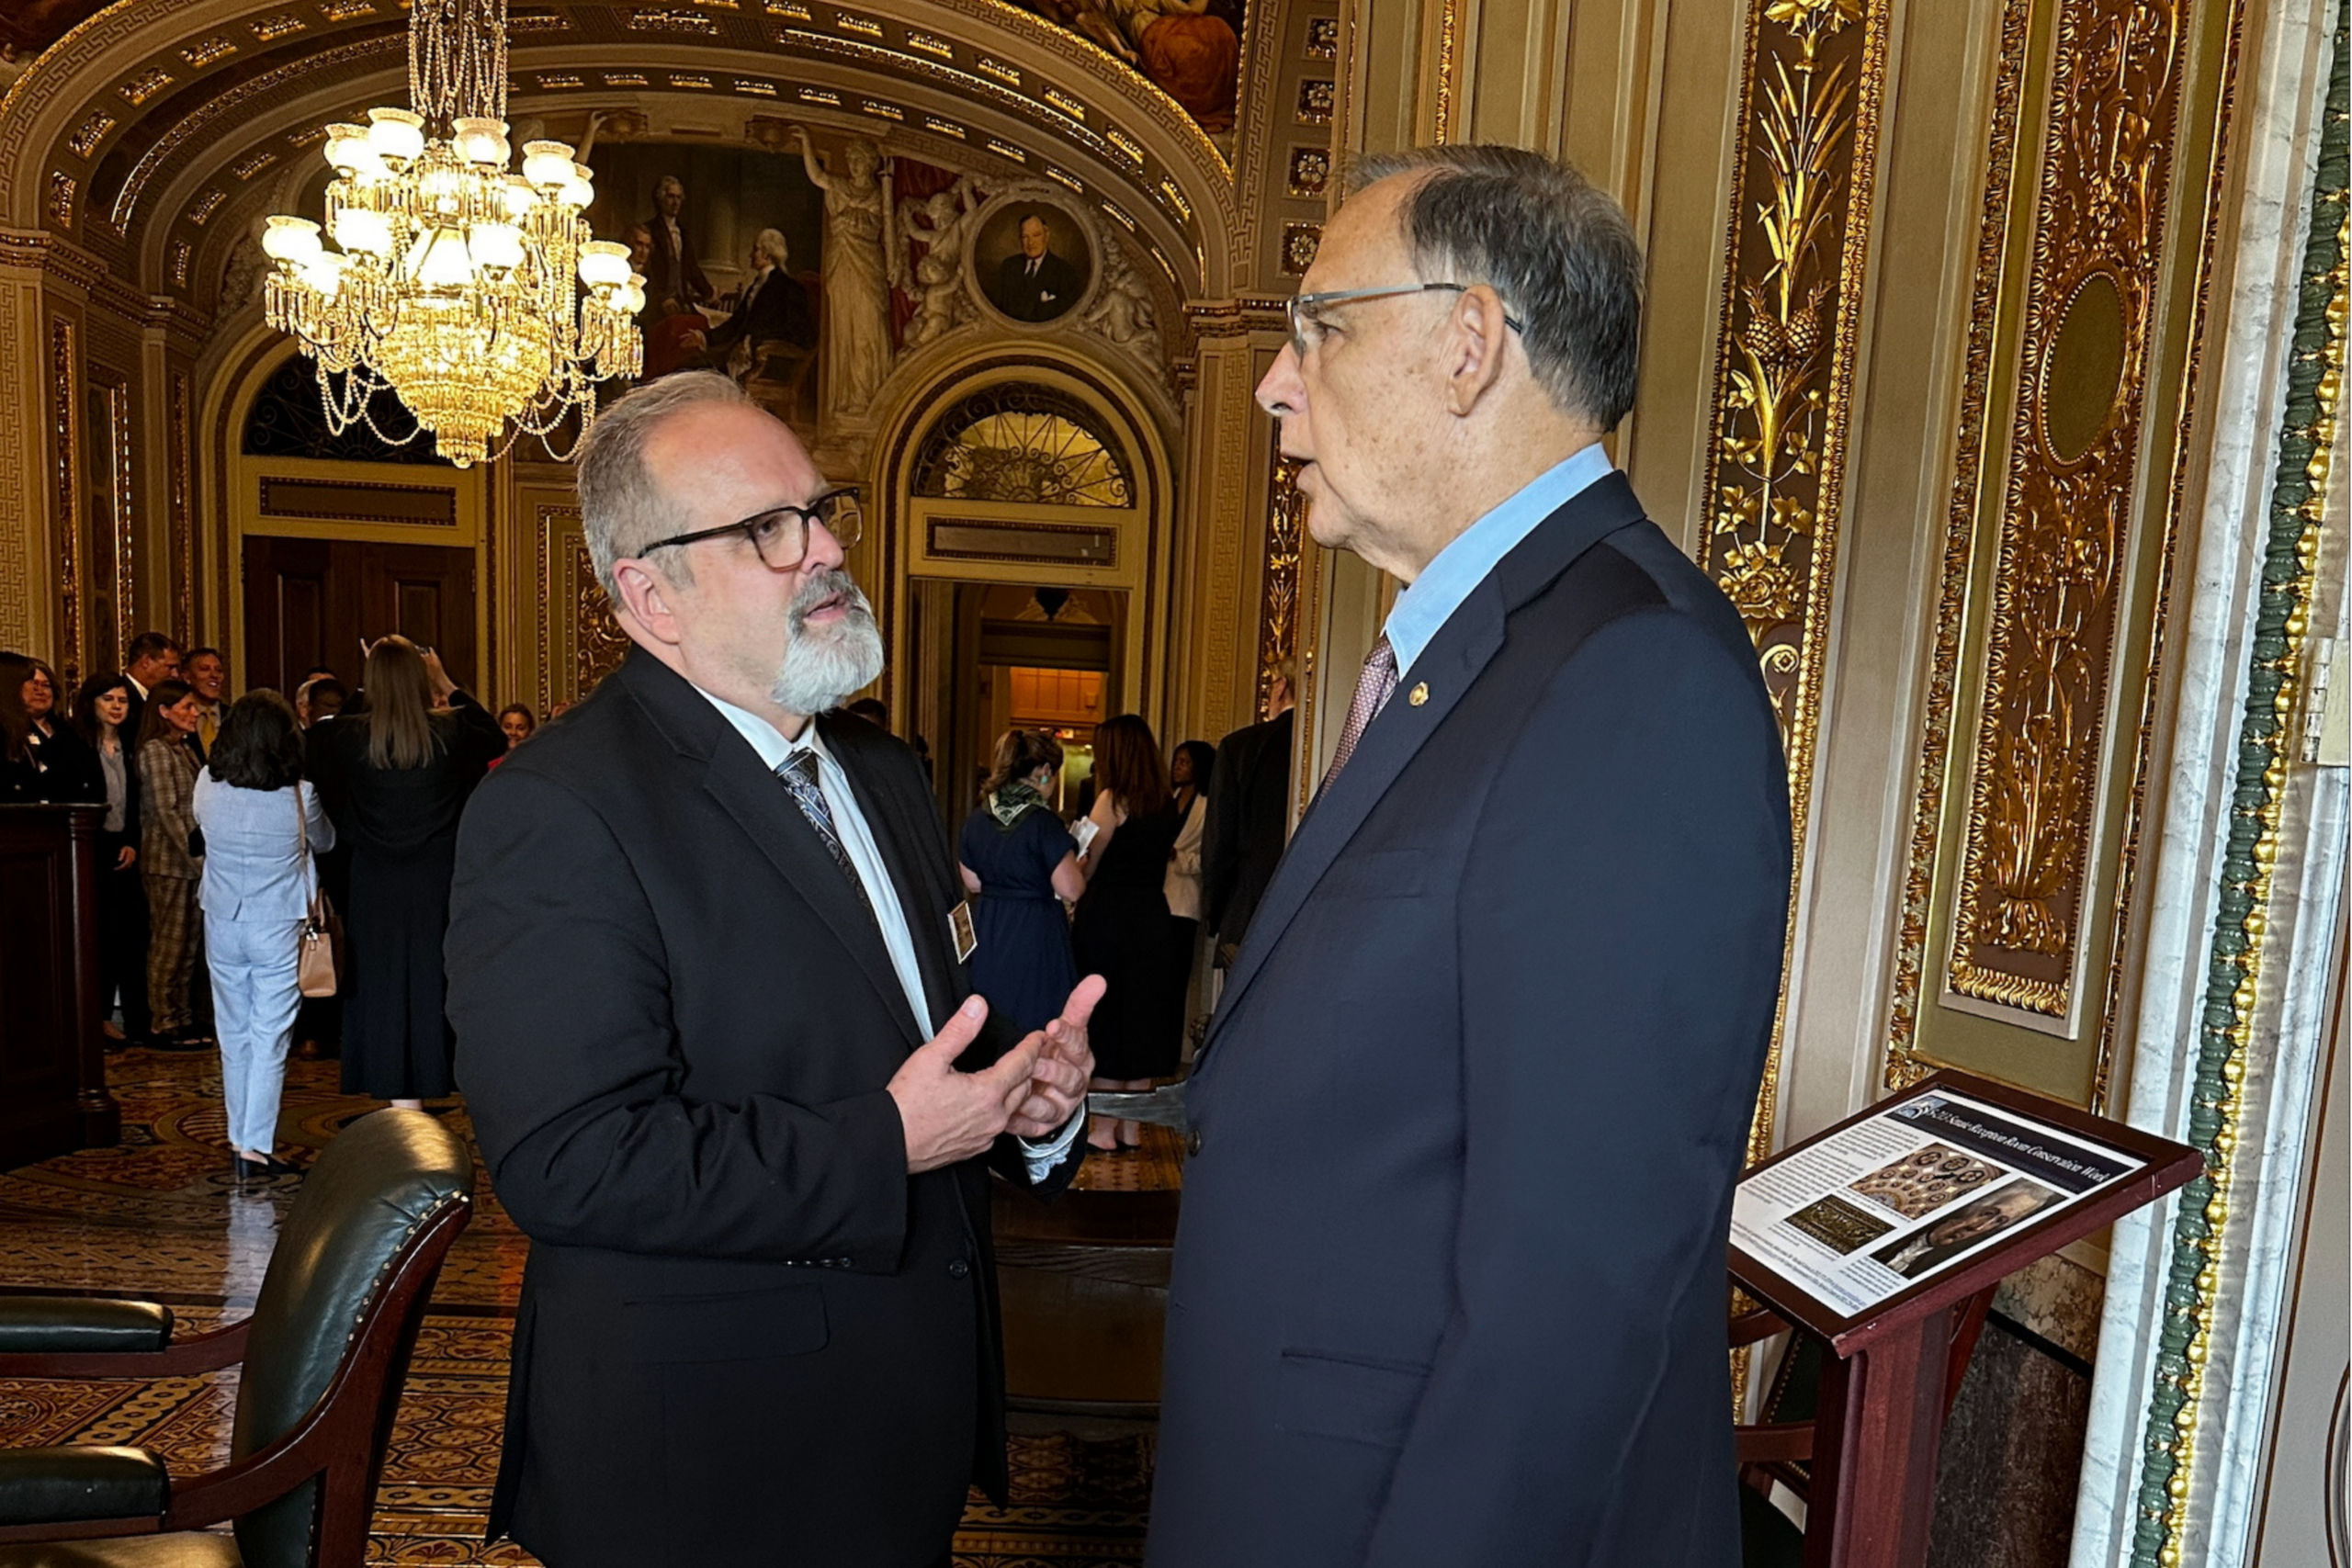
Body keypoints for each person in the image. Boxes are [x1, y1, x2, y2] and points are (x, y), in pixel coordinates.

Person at [1148, 146, 1792, 1567]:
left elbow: (1576, 1280)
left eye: (1320, 325)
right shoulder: (1487, 649)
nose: (1273, 380)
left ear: (1468, 343)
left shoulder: (1631, 673)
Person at [445, 371, 1102, 1567]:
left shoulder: (885, 770)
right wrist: (885, 1140)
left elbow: (915, 1045)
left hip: (898, 1431)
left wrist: (1023, 1100)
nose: (828, 550)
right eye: (766, 529)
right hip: (703, 1466)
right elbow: (571, 1159)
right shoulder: (558, 806)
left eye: (821, 508)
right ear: (651, 593)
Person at [308, 637, 503, 1109]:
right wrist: (444, 680)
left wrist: (367, 678)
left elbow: (315, 742)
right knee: (434, 977)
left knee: (380, 982)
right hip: (436, 877)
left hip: (375, 878)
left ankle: (396, 1097)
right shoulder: (450, 732)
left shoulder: (347, 736)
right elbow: (492, 735)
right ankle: (435, 1077)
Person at [193, 691, 333, 1179]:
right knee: (270, 1033)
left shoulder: (206, 784)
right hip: (277, 920)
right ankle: (255, 1144)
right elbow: (324, 841)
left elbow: (201, 830)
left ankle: (238, 1137)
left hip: (222, 916)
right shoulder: (299, 794)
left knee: (233, 1031)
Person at [1070, 713, 1190, 1151]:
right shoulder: (1165, 801)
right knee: (1143, 1017)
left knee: (1106, 1016)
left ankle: (1102, 1128)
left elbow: (1090, 861)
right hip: (1152, 915)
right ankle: (1134, 1126)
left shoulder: (1112, 799)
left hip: (1109, 917)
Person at [960, 728, 1085, 1036]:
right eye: (1053, 774)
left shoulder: (979, 817)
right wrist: (1082, 864)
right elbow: (1071, 888)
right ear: (1043, 772)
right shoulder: (1043, 822)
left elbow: (973, 882)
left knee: (994, 1019)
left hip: (990, 925)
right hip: (1034, 929)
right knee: (1037, 1025)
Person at [136, 678, 211, 1049]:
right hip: (168, 862)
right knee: (169, 943)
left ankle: (182, 1016)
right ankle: (162, 1021)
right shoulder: (154, 750)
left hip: (191, 862)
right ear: (164, 712)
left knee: (189, 945)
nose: (194, 713)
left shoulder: (183, 749)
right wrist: (195, 856)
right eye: (186, 707)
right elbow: (166, 813)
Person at [1202, 661, 1295, 962]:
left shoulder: (1240, 747)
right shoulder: (1340, 742)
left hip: (1249, 909)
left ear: (1280, 687)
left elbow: (1219, 844)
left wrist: (1217, 914)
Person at [72, 673, 147, 1044]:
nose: (117, 707)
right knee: (97, 936)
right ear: (91, 703)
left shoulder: (131, 746)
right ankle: (96, 1017)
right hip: (90, 849)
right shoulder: (78, 746)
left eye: (123, 700)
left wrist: (133, 842)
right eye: (108, 700)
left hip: (127, 847)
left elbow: (136, 804)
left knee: (129, 937)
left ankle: (135, 1020)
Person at [684, 230, 815, 372]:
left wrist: (751, 342)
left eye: (755, 249)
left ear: (768, 254)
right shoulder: (757, 284)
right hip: (738, 353)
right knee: (687, 365)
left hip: (768, 362)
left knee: (694, 372)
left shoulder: (789, 288)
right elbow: (736, 322)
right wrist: (704, 337)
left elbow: (800, 334)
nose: (750, 255)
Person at [0, 653, 99, 804]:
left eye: (46, 685)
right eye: (33, 684)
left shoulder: (71, 733)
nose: (40, 691)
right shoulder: (8, 732)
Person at [994, 211, 1083, 322]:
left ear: (1047, 235)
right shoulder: (1008, 267)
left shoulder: (1064, 272)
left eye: (1036, 235)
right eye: (1025, 237)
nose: (1031, 243)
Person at [118, 630, 184, 745]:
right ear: (146, 662)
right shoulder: (122, 696)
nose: (175, 674)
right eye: (170, 667)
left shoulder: (155, 697)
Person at [184, 646, 228, 758]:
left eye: (219, 670)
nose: (214, 675)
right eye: (204, 669)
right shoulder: (179, 717)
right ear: (187, 677)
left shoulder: (234, 716)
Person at [490, 704, 536, 769]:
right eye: (507, 727)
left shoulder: (535, 763)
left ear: (530, 731)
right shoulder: (489, 763)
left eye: (520, 728)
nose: (513, 732)